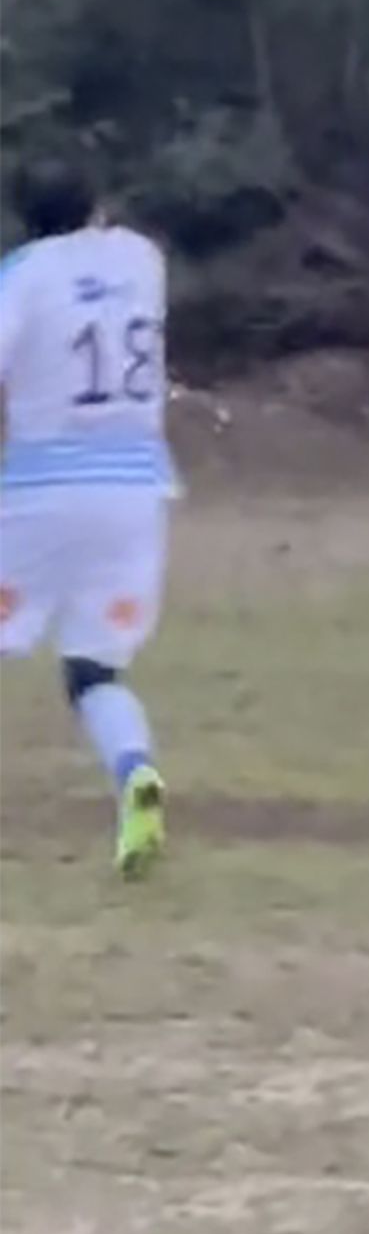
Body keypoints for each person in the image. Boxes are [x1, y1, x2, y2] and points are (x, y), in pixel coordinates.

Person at [0, 161, 176, 877]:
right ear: (96, 203)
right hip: (136, 487)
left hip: (42, 484)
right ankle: (134, 770)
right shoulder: (142, 260)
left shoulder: (22, 272)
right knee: (94, 669)